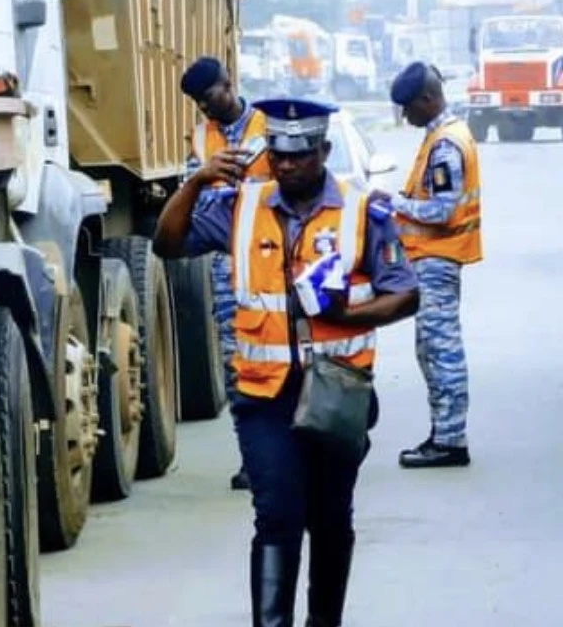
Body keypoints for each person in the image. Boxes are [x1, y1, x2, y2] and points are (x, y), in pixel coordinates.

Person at [154, 96, 419, 627]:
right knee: (277, 515)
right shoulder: (241, 207)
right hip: (263, 396)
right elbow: (167, 243)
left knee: (329, 519)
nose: (287, 164)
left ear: (323, 151)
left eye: (300, 154)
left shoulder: (361, 211)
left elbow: (406, 293)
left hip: (336, 396)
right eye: (278, 154)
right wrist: (196, 181)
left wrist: (348, 315)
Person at [382, 61, 483, 469]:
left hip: (438, 258)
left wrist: (392, 203)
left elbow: (443, 209)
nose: (405, 116)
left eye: (408, 107)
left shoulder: (445, 145)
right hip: (433, 259)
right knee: (431, 350)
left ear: (427, 99)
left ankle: (450, 441)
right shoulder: (442, 135)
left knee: (441, 352)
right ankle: (443, 434)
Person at [180, 56, 272, 492]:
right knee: (237, 369)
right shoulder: (202, 140)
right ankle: (252, 458)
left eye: (209, 96)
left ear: (228, 84)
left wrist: (230, 196)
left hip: (271, 267)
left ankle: (288, 453)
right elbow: (191, 199)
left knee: (281, 364)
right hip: (226, 268)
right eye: (199, 103)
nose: (205, 108)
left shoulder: (270, 128)